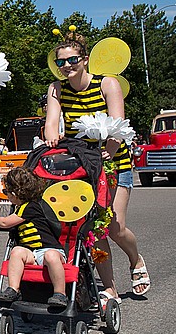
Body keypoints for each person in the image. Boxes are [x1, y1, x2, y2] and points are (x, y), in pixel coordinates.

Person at [44, 29, 149, 305]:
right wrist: (52, 137)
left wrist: (107, 152)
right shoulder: (56, 89)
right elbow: (51, 123)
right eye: (61, 62)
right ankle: (110, 288)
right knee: (93, 229)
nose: (67, 66)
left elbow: (118, 125)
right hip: (81, 164)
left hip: (114, 162)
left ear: (85, 59)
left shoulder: (107, 84)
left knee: (115, 227)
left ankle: (135, 258)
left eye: (72, 60)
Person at [0, 167, 68, 310]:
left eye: (7, 193)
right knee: (17, 251)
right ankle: (13, 289)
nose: (7, 196)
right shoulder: (22, 207)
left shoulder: (31, 207)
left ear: (14, 193)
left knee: (50, 256)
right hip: (33, 253)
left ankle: (60, 293)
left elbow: (6, 223)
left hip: (51, 250)